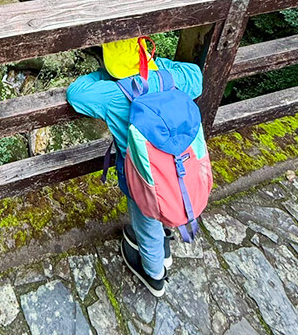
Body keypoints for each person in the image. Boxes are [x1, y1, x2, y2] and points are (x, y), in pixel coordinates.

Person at [66, 37, 203, 297]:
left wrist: (104, 75)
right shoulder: (173, 80)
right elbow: (196, 75)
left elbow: (76, 94)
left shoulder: (114, 94)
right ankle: (165, 235)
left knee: (146, 222)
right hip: (177, 168)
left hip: (141, 179)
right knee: (166, 198)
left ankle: (154, 275)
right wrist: (156, 66)